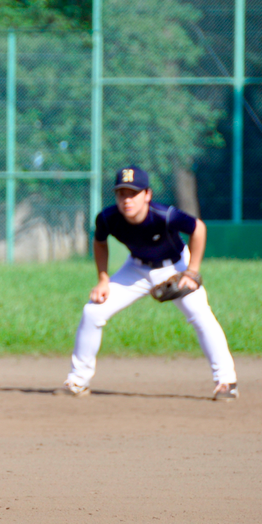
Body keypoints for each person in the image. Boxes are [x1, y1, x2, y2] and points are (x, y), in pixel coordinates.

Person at [56, 165, 238, 401]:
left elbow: (198, 229)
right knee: (93, 312)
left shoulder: (164, 215)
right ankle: (78, 382)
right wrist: (103, 278)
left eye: (133, 193)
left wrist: (192, 272)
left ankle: (226, 382)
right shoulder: (108, 218)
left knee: (200, 314)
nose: (127, 200)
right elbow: (99, 242)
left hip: (175, 266)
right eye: (122, 193)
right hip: (136, 268)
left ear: (147, 195)